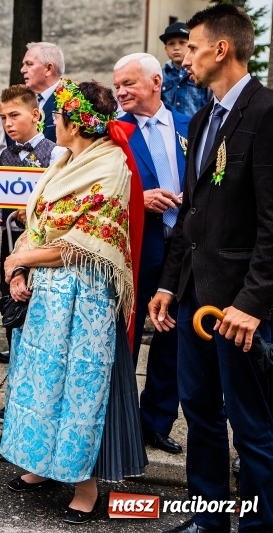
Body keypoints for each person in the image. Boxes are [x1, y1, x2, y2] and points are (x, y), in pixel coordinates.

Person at [0, 79, 147, 525]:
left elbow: (86, 243)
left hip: (85, 298)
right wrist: (20, 268)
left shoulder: (110, 167)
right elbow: (40, 222)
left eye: (57, 115)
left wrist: (20, 257)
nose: (51, 121)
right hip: (48, 293)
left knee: (80, 389)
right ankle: (43, 465)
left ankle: (86, 485)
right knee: (43, 380)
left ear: (76, 122)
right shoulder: (65, 159)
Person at [149, 6, 273, 533]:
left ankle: (262, 524)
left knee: (251, 424)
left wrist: (251, 305)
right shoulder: (202, 118)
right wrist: (166, 285)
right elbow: (192, 212)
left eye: (194, 47)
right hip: (192, 297)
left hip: (240, 304)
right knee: (198, 411)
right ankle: (209, 516)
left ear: (221, 49)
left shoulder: (266, 114)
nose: (186, 59)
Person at [114, 53, 189, 456]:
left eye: (129, 84)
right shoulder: (115, 132)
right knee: (124, 337)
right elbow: (101, 194)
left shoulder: (187, 125)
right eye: (117, 86)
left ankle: (156, 423)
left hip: (182, 251)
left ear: (156, 81)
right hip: (136, 248)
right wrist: (138, 199)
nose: (121, 92)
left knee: (171, 338)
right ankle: (119, 423)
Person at [0, 84, 65, 423]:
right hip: (12, 250)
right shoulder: (3, 156)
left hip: (45, 254)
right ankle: (15, 397)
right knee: (13, 322)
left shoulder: (56, 153)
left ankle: (42, 399)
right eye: (3, 117)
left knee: (41, 326)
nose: (8, 123)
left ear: (35, 115)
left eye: (15, 115)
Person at [160, 22, 211, 118]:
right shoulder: (161, 75)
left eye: (182, 42)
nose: (176, 48)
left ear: (191, 46)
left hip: (196, 129)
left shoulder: (202, 73)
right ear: (166, 49)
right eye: (171, 44)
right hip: (171, 130)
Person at [20, 42, 65, 143]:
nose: (22, 70)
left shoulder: (73, 101)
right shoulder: (21, 100)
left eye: (29, 64)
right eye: (23, 65)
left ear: (49, 69)